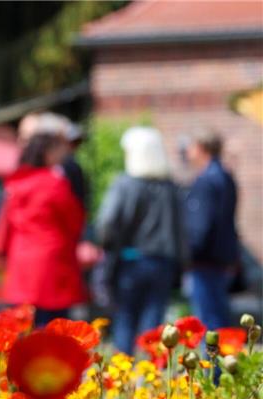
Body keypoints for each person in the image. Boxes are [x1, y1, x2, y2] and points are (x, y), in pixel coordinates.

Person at [96, 127, 188, 354]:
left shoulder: (125, 184)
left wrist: (109, 246)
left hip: (131, 262)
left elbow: (107, 223)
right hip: (163, 264)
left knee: (125, 319)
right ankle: (151, 379)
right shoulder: (171, 188)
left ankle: (124, 377)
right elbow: (181, 231)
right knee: (154, 326)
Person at [0, 133, 86, 326]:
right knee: (54, 326)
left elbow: (5, 224)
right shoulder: (55, 183)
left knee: (24, 324)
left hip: (20, 260)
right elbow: (74, 220)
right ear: (48, 153)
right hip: (51, 261)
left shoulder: (15, 183)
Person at [183, 129, 240, 330]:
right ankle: (222, 360)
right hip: (222, 257)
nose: (187, 152)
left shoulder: (205, 181)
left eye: (190, 147)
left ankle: (213, 362)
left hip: (205, 260)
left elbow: (201, 225)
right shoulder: (225, 176)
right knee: (218, 315)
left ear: (201, 148)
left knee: (208, 321)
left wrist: (188, 255)